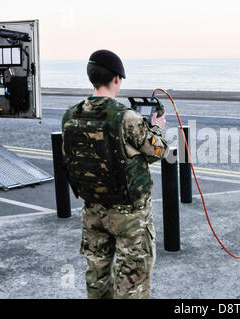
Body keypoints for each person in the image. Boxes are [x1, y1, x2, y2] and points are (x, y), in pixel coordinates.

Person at [61, 49, 168, 299]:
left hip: (93, 209)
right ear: (116, 79)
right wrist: (157, 128)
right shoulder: (127, 118)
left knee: (97, 275)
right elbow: (158, 150)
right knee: (133, 278)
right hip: (129, 214)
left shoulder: (70, 115)